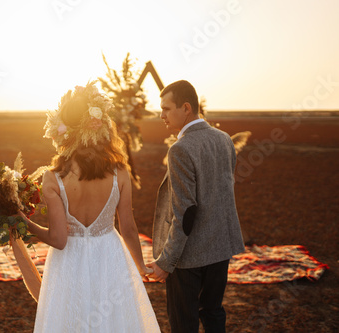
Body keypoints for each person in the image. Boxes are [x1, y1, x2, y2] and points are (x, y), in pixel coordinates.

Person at [20, 82, 160, 332]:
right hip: (110, 256)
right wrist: (140, 265)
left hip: (68, 262)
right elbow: (128, 227)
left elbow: (59, 239)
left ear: (62, 131)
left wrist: (26, 225)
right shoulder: (120, 173)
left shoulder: (53, 177)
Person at [146, 80, 245, 332]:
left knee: (184, 324)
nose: (161, 115)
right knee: (213, 313)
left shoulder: (180, 149)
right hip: (221, 247)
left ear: (186, 108)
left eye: (167, 109)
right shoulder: (224, 139)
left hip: (188, 256)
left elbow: (186, 212)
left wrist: (166, 262)